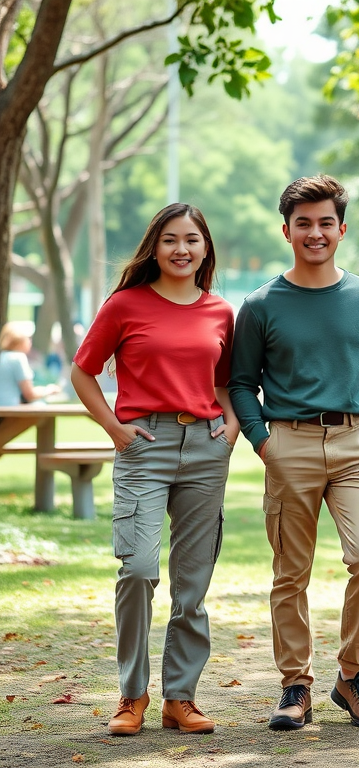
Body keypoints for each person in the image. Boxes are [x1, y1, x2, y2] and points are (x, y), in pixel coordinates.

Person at [229, 175, 359, 731]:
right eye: (303, 223)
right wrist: (262, 442)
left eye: (326, 222)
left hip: (356, 444)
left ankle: (350, 675)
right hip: (289, 444)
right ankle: (294, 686)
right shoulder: (260, 305)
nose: (315, 232)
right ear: (286, 230)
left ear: (341, 228)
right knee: (290, 573)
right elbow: (239, 383)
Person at [70, 203, 238, 736]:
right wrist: (114, 430)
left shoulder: (220, 312)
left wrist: (229, 430)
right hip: (144, 444)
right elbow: (83, 371)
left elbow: (228, 383)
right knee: (139, 570)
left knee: (192, 584)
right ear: (155, 247)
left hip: (206, 449)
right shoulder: (125, 304)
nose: (181, 249)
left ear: (205, 247)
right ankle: (132, 695)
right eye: (170, 239)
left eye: (191, 239)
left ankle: (180, 698)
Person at [0, 323, 61, 405]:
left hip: (3, 408)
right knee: (42, 406)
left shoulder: (3, 356)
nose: (30, 341)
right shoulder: (18, 358)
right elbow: (29, 394)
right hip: (10, 409)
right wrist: (48, 390)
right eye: (28, 338)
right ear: (20, 341)